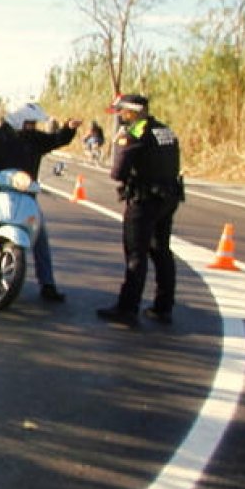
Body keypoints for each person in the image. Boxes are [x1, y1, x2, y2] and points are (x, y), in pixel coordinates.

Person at [0, 100, 81, 302]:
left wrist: (68, 129)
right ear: (19, 120)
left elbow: (55, 140)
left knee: (40, 233)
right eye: (30, 123)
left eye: (33, 123)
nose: (33, 127)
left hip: (25, 192)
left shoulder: (34, 139)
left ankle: (47, 283)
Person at [96, 94, 183, 327]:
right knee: (161, 251)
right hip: (168, 197)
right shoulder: (165, 130)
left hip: (144, 200)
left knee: (136, 254)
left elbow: (118, 172)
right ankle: (163, 307)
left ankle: (127, 308)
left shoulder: (135, 132)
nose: (120, 116)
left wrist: (119, 144)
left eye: (122, 112)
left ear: (132, 112)